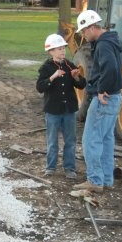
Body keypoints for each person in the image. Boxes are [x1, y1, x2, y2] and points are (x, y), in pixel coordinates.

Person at [72, 9, 122, 193]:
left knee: (91, 140)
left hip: (104, 99)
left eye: (84, 31)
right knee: (106, 139)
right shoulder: (111, 42)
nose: (84, 35)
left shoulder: (103, 45)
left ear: (93, 27)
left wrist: (102, 89)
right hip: (115, 97)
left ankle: (95, 180)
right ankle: (106, 179)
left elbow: (109, 68)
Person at [36, 33, 86, 178]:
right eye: (58, 49)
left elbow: (81, 85)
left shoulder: (70, 65)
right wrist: (53, 76)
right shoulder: (46, 68)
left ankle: (69, 168)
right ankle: (50, 167)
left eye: (63, 48)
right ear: (51, 51)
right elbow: (40, 87)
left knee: (70, 140)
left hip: (69, 110)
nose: (62, 51)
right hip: (52, 110)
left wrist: (76, 76)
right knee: (52, 141)